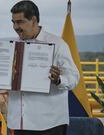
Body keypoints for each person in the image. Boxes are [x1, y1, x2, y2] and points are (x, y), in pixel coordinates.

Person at [7, 1, 80, 135]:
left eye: (20, 22)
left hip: (50, 123)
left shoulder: (57, 44)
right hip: (20, 122)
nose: (15, 27)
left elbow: (74, 78)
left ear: (34, 20)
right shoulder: (10, 46)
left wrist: (58, 79)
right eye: (13, 22)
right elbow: (1, 80)